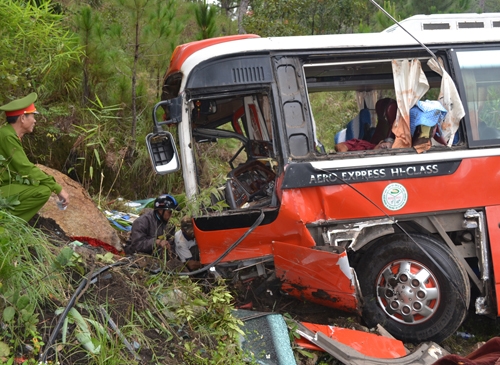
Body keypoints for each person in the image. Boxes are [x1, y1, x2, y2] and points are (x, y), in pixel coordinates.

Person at [0, 93, 69, 222]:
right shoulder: (7, 137)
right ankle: (7, 225)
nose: (35, 120)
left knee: (41, 187)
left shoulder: (7, 133)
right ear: (22, 118)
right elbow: (25, 168)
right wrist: (57, 188)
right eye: (33, 116)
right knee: (42, 191)